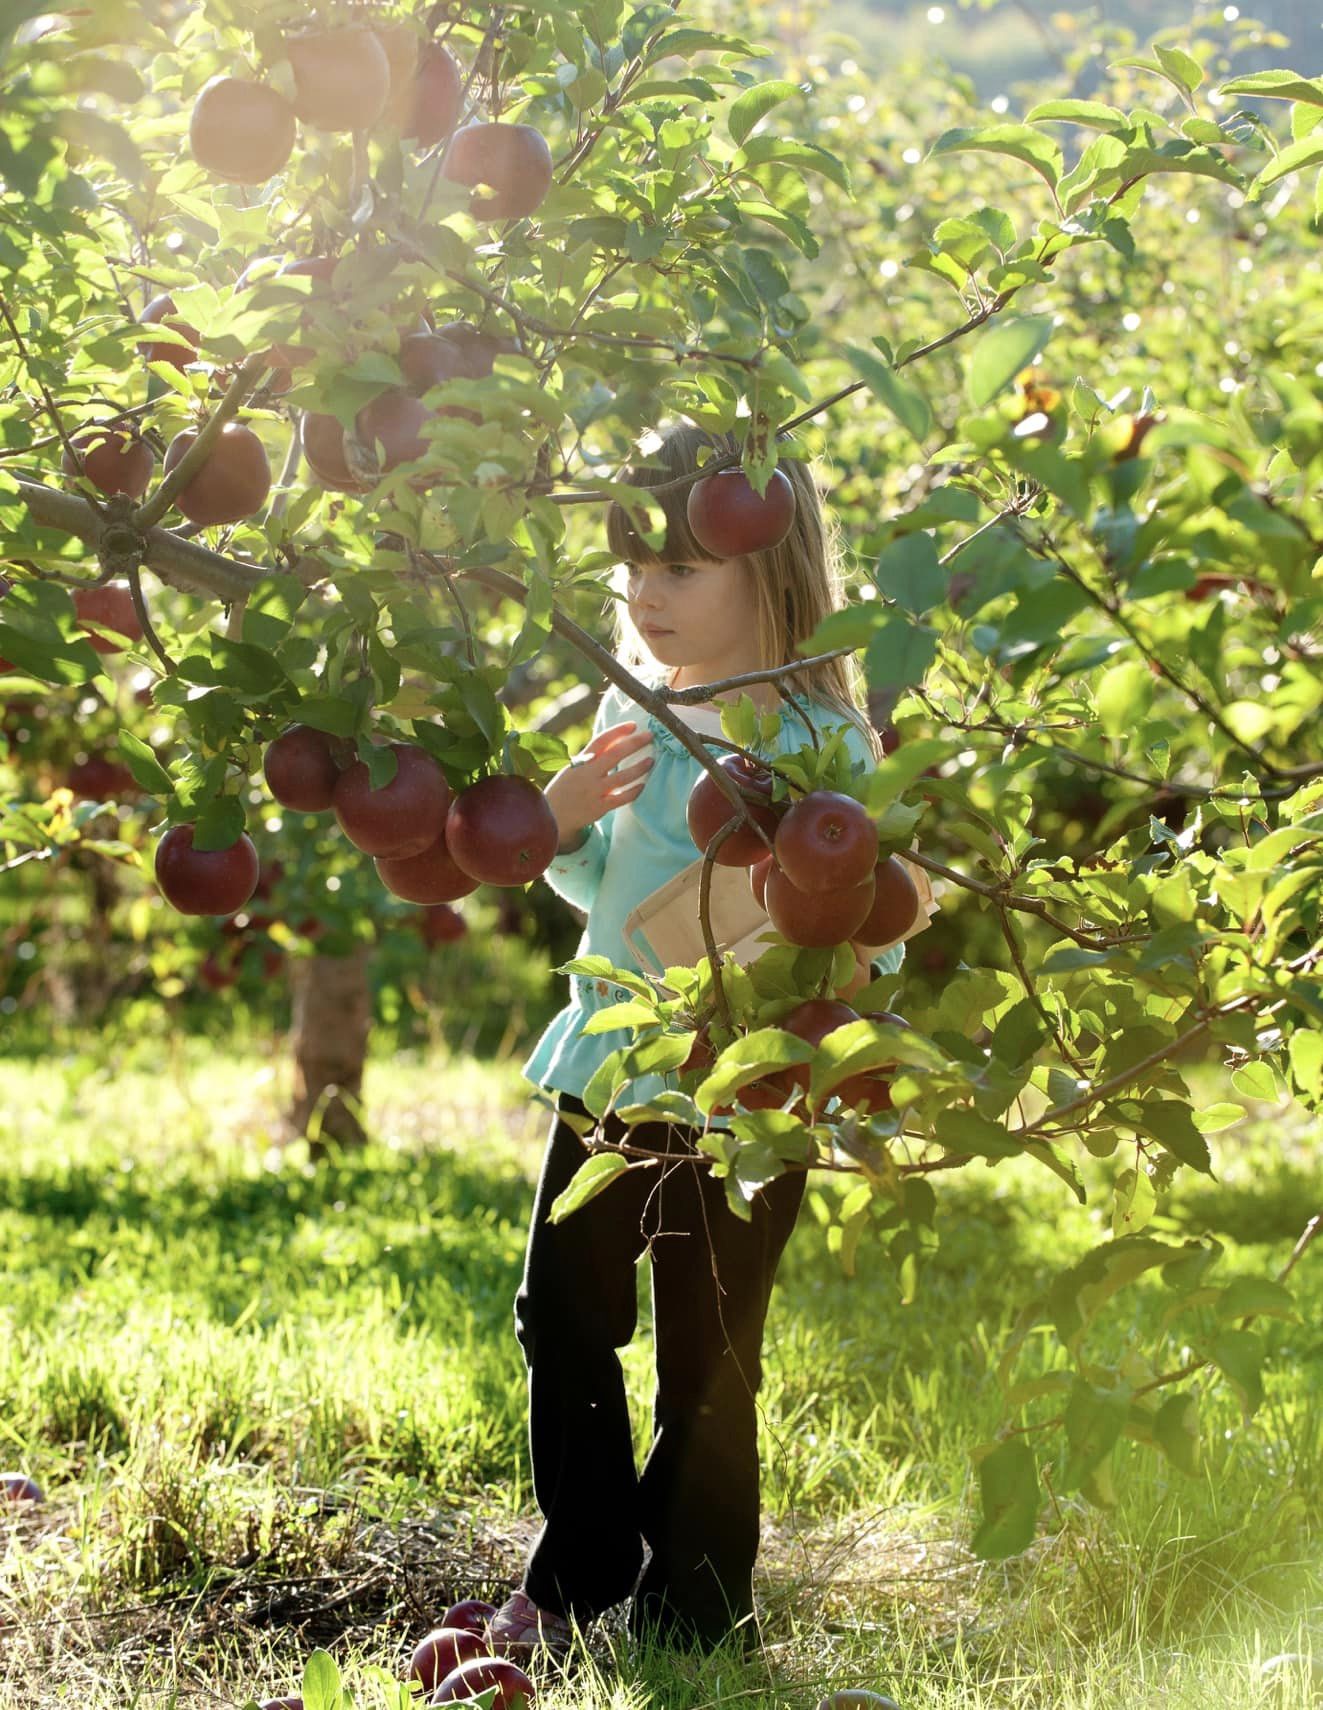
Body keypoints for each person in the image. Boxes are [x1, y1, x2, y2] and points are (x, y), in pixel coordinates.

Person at [486, 423, 906, 1664]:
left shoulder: (827, 749)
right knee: (560, 1315)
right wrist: (557, 821)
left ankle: (699, 1600)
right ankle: (583, 1560)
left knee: (712, 1356)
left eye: (677, 568)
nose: (643, 595)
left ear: (766, 571)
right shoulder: (638, 712)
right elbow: (601, 886)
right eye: (628, 566)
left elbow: (872, 924)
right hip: (608, 1070)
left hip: (744, 1091)